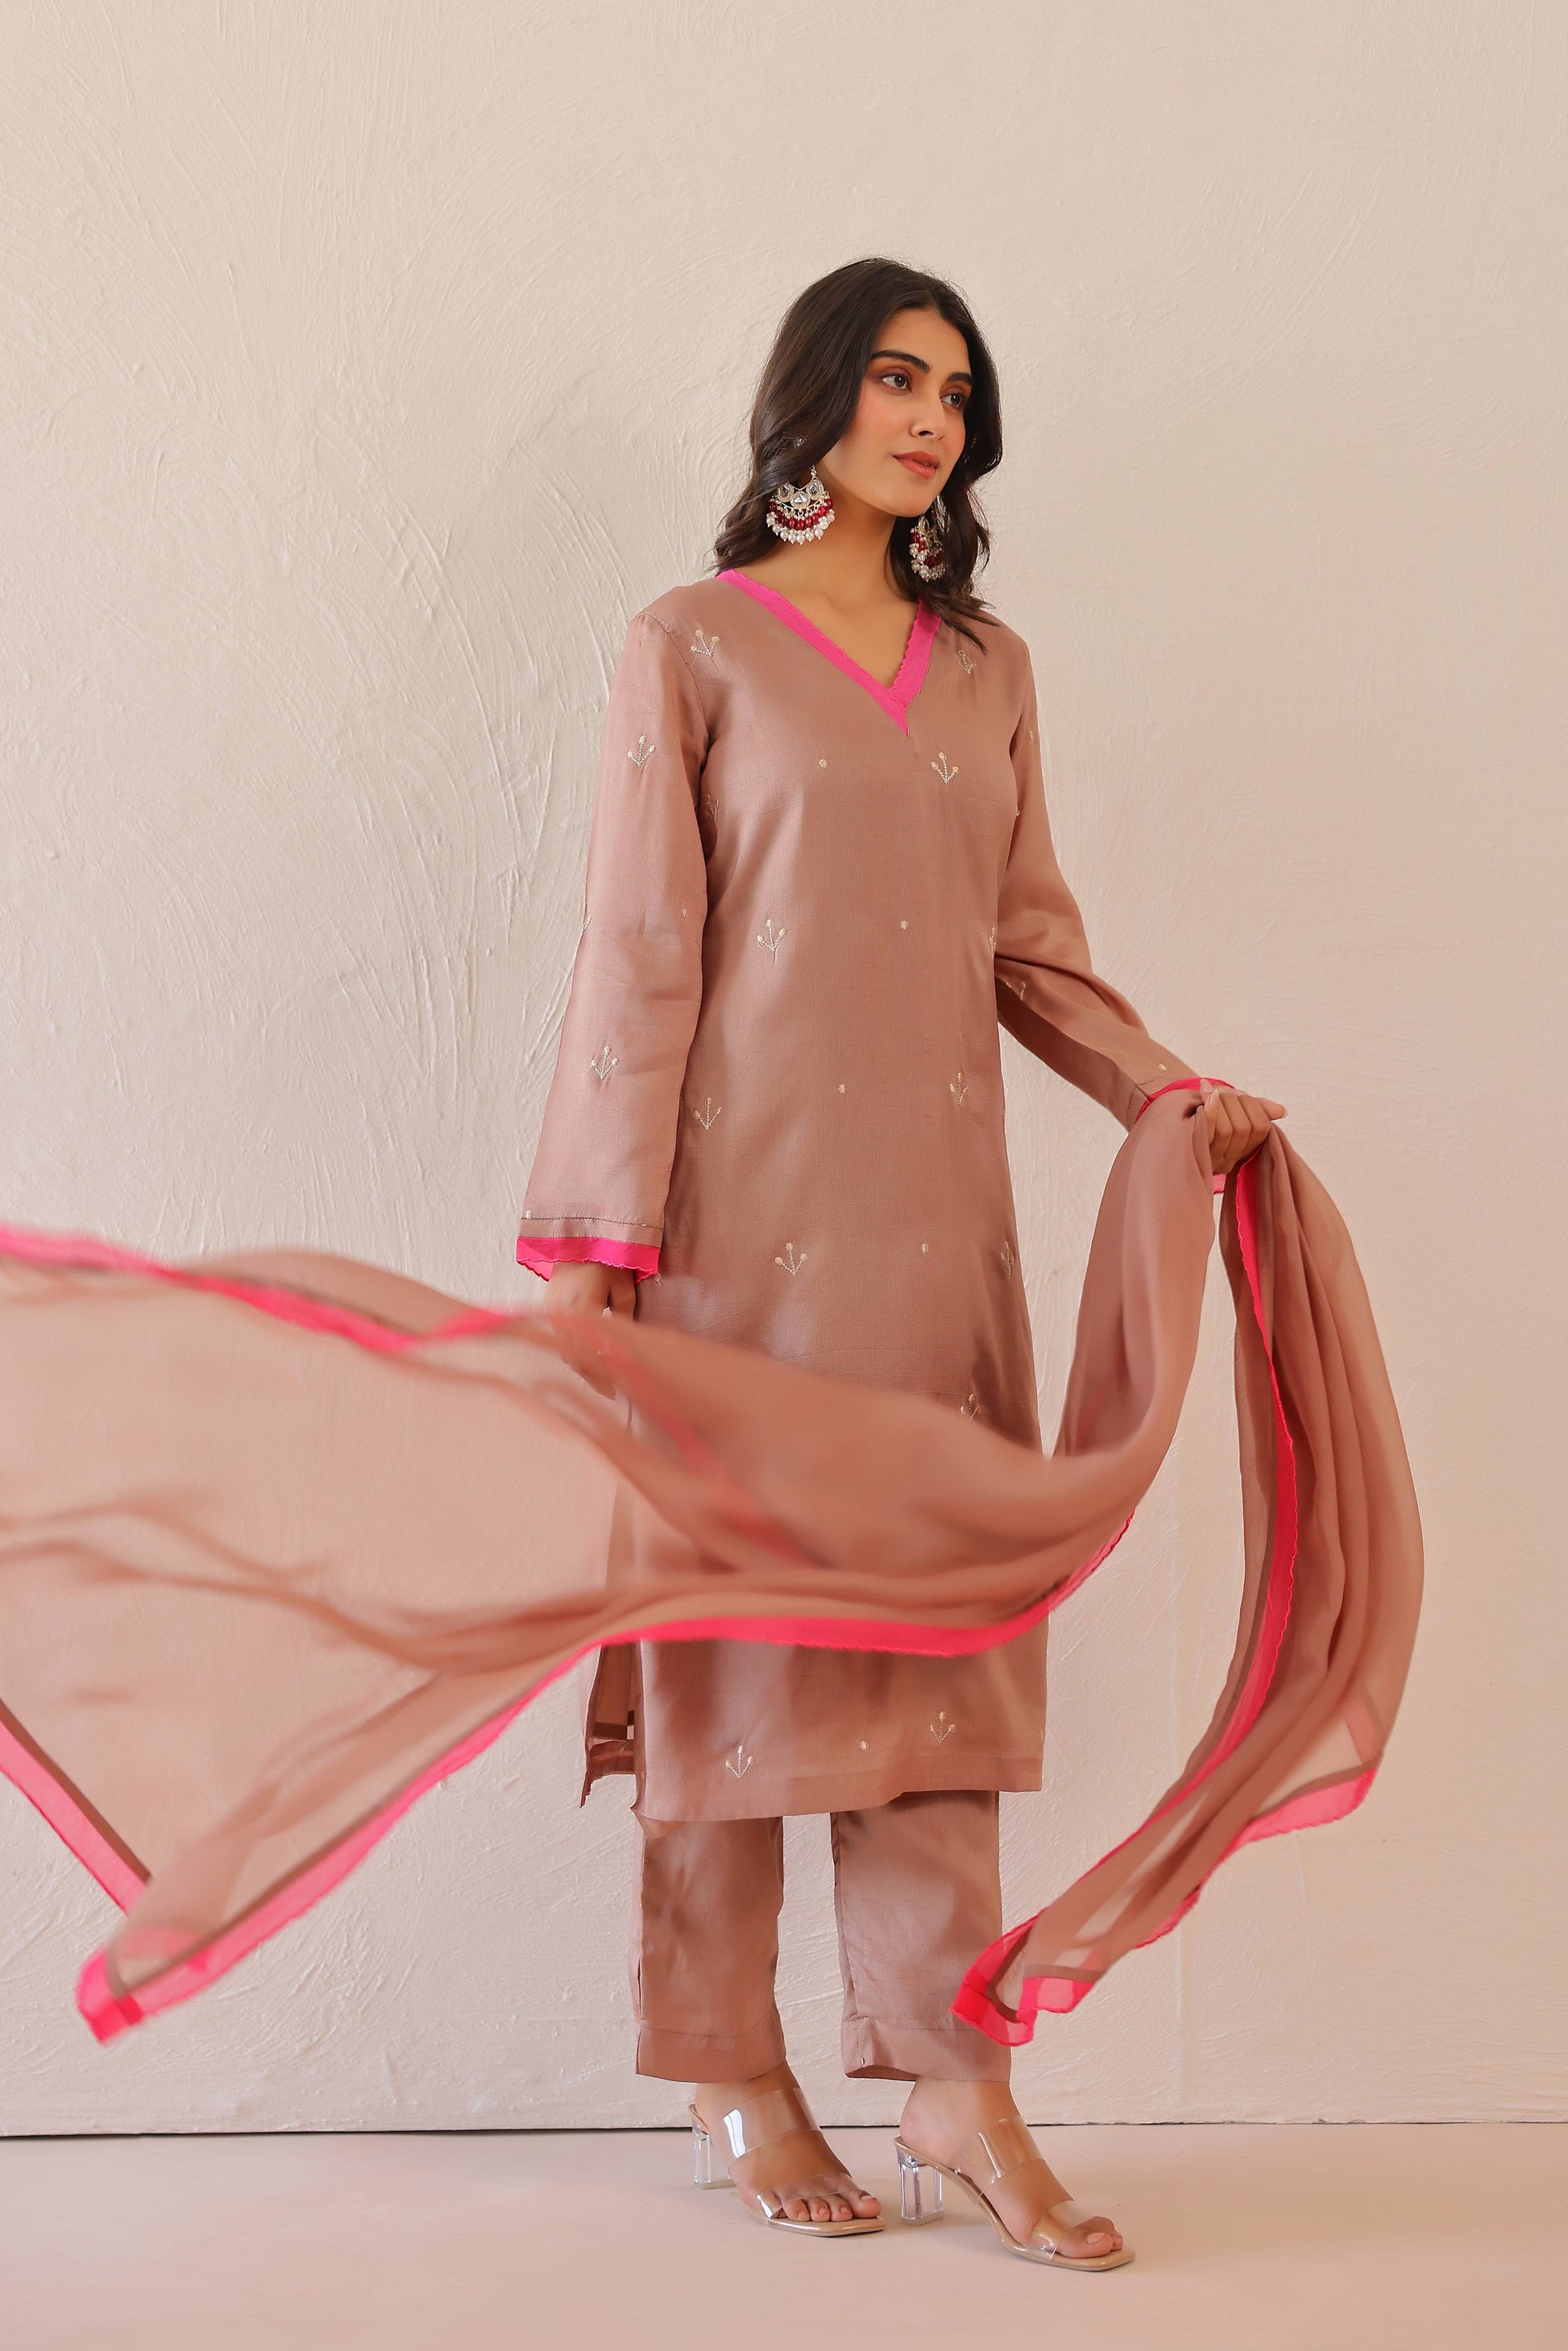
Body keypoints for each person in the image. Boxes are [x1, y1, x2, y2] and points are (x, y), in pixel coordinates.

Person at [521, 258, 1286, 2268]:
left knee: (933, 1645)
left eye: (955, 389)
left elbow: (1030, 944)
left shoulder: (985, 666)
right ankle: (728, 2062)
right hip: (726, 1246)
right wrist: (596, 1245)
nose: (930, 416)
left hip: (934, 1243)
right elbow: (638, 951)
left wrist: (1161, 1089)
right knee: (729, 1648)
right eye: (892, 376)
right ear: (812, 399)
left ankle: (954, 2080)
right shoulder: (691, 643)